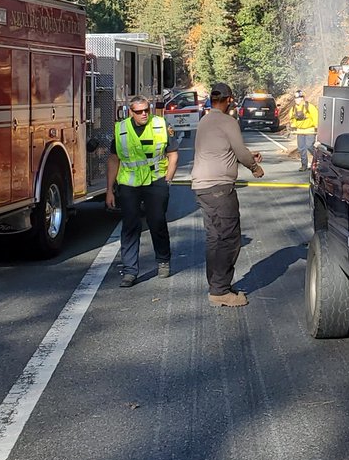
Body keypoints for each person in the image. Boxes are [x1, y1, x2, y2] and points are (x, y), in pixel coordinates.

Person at [191, 81, 264, 307]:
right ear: (230, 99)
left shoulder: (205, 120)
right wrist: (254, 167)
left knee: (214, 237)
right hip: (219, 188)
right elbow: (240, 151)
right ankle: (221, 291)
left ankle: (216, 285)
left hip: (202, 186)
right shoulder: (228, 121)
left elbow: (220, 150)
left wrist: (247, 155)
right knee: (230, 238)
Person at [107, 94, 179, 288]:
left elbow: (172, 154)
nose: (144, 114)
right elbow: (114, 159)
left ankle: (163, 260)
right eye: (139, 112)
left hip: (156, 181)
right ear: (131, 112)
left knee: (157, 222)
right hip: (129, 184)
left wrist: (169, 177)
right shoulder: (121, 129)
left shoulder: (160, 125)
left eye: (146, 110)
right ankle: (130, 271)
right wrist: (109, 190)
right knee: (130, 226)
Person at [287, 89, 318, 171]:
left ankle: (318, 161)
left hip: (310, 130)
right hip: (300, 131)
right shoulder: (293, 109)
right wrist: (293, 125)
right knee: (301, 148)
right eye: (295, 98)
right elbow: (292, 118)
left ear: (302, 98)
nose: (296, 100)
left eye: (298, 98)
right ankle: (304, 165)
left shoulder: (309, 106)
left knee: (309, 146)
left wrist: (316, 126)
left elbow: (315, 116)